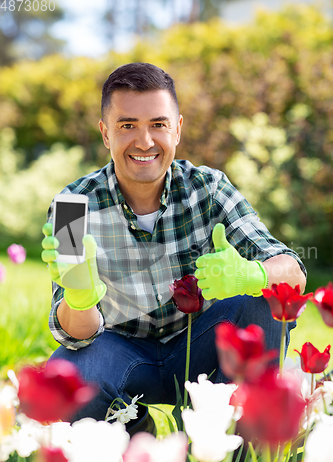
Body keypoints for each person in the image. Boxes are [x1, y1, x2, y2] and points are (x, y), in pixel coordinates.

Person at [41, 62, 306, 423]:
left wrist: (252, 274)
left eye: (158, 125)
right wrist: (80, 298)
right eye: (127, 125)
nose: (145, 141)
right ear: (106, 133)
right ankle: (134, 430)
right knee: (66, 379)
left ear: (177, 130)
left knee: (261, 306)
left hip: (200, 350)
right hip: (123, 355)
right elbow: (76, 336)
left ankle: (238, 456)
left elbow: (293, 274)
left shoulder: (209, 189)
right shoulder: (73, 207)